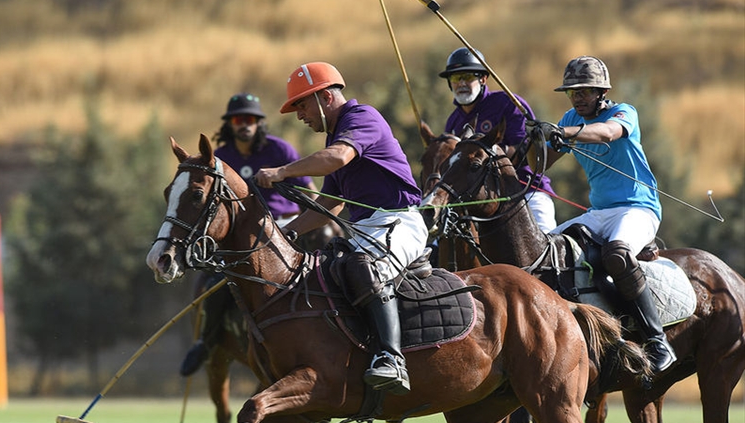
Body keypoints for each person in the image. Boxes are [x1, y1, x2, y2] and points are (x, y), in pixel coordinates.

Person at [254, 62, 426, 395]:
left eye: (302, 104)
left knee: (368, 268)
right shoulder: (337, 135)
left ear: (325, 97)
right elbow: (330, 203)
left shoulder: (362, 118)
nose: (300, 115)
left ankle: (392, 360)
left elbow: (336, 158)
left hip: (398, 221)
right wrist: (286, 232)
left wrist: (283, 171)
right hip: (366, 229)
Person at [527, 55, 677, 373]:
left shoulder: (624, 113)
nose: (577, 98)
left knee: (617, 254)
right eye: (572, 92)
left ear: (600, 92)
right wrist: (535, 140)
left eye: (583, 91)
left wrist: (564, 132)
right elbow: (540, 164)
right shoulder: (571, 117)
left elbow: (607, 133)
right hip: (600, 212)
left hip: (639, 208)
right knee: (544, 251)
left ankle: (657, 340)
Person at [179, 93, 317, 377]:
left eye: (251, 119)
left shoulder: (280, 150)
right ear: (230, 124)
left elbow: (310, 191)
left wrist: (318, 220)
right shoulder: (222, 158)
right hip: (243, 239)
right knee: (213, 285)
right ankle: (206, 341)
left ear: (259, 124)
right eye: (239, 119)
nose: (245, 124)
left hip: (288, 227)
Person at [438, 47, 557, 232]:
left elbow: (524, 153)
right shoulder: (453, 121)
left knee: (547, 249)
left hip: (526, 192)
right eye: (455, 78)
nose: (461, 83)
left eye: (468, 77)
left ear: (483, 78)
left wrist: (482, 152)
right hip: (477, 204)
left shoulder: (507, 103)